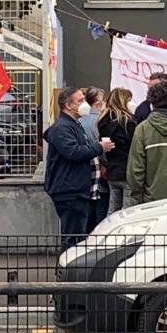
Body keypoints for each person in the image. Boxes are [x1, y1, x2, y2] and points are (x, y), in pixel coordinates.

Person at [43, 86, 114, 248]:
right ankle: (69, 270)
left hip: (76, 189)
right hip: (69, 190)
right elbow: (73, 152)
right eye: (80, 101)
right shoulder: (62, 127)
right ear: (69, 106)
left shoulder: (74, 125)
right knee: (73, 237)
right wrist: (99, 147)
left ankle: (72, 269)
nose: (85, 104)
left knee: (78, 235)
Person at [97, 88, 137, 212]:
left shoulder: (102, 120)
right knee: (128, 211)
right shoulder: (128, 122)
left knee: (113, 209)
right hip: (127, 171)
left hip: (112, 170)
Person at [78, 86, 110, 230]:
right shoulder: (101, 121)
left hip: (83, 174)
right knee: (101, 212)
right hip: (101, 173)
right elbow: (105, 147)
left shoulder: (79, 121)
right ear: (98, 103)